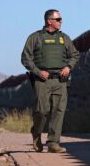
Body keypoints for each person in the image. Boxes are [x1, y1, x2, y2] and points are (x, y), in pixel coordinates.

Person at [21, 9, 79, 153]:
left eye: (60, 19)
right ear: (49, 21)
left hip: (60, 80)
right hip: (42, 80)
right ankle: (36, 133)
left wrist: (68, 67)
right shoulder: (35, 38)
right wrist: (38, 72)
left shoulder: (64, 38)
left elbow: (75, 55)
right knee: (42, 110)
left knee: (58, 111)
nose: (61, 22)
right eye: (58, 19)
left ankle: (53, 143)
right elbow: (25, 58)